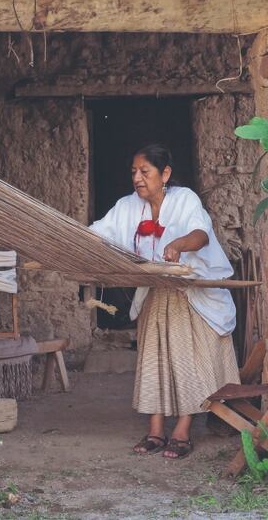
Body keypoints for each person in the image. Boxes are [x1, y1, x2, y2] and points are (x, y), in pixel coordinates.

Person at [89, 143, 240, 459]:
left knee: (186, 363)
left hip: (188, 295)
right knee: (154, 361)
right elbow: (98, 233)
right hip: (155, 294)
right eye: (134, 172)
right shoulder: (128, 206)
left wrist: (179, 244)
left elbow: (201, 235)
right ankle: (155, 430)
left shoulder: (185, 200)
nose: (138, 178)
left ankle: (182, 431)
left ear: (165, 174)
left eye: (145, 171)